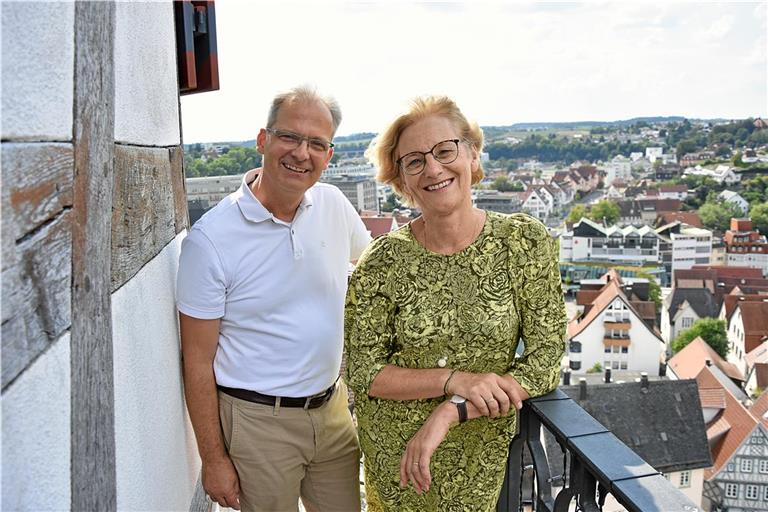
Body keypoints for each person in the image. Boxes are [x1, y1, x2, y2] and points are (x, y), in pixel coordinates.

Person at [344, 96, 566, 511]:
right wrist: (454, 381)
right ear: (403, 181)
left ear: (472, 153)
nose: (433, 168)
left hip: (477, 459)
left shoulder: (522, 243)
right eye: (414, 161)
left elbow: (545, 359)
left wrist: (450, 412)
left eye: (445, 151)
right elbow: (363, 371)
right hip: (397, 464)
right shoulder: (382, 261)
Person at [177, 86, 371, 512]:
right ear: (263, 140)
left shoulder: (334, 204)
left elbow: (376, 269)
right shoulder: (210, 241)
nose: (302, 153)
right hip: (258, 423)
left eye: (317, 143)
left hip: (333, 409)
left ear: (329, 155)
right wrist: (213, 459)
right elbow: (195, 361)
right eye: (290, 137)